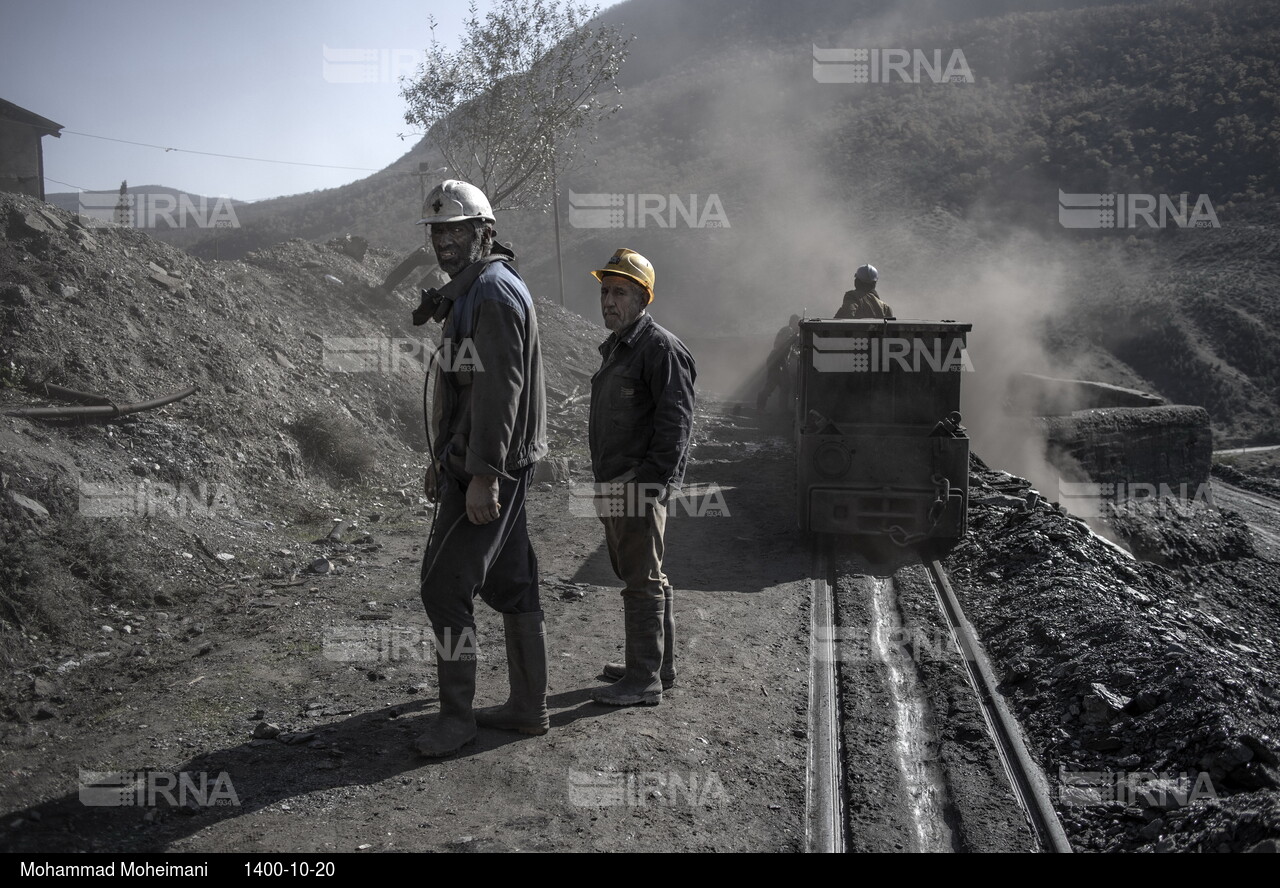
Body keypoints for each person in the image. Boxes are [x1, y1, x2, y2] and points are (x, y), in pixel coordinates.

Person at [412, 180, 549, 757]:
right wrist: (441, 458)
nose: (445, 241)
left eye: (457, 230)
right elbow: (463, 393)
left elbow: (499, 391)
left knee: (443, 587)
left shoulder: (491, 294)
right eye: (438, 231)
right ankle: (527, 706)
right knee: (512, 582)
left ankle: (455, 718)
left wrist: (484, 473)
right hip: (478, 463)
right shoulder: (472, 290)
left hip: (490, 469)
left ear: (484, 232)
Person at [587, 248, 696, 707]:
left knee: (641, 581)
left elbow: (676, 426)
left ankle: (643, 680)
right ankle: (655, 665)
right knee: (643, 573)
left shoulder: (660, 348)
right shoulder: (621, 346)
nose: (609, 301)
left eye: (620, 293)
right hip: (617, 481)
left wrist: (647, 485)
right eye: (605, 291)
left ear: (643, 298)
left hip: (635, 485)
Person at [756, 314, 801, 412]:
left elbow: (787, 348)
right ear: (793, 322)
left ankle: (779, 408)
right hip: (778, 360)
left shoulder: (789, 331)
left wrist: (797, 354)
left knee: (784, 385)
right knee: (773, 384)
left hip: (778, 360)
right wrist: (795, 336)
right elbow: (782, 345)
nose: (798, 326)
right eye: (797, 323)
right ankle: (762, 407)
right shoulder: (788, 330)